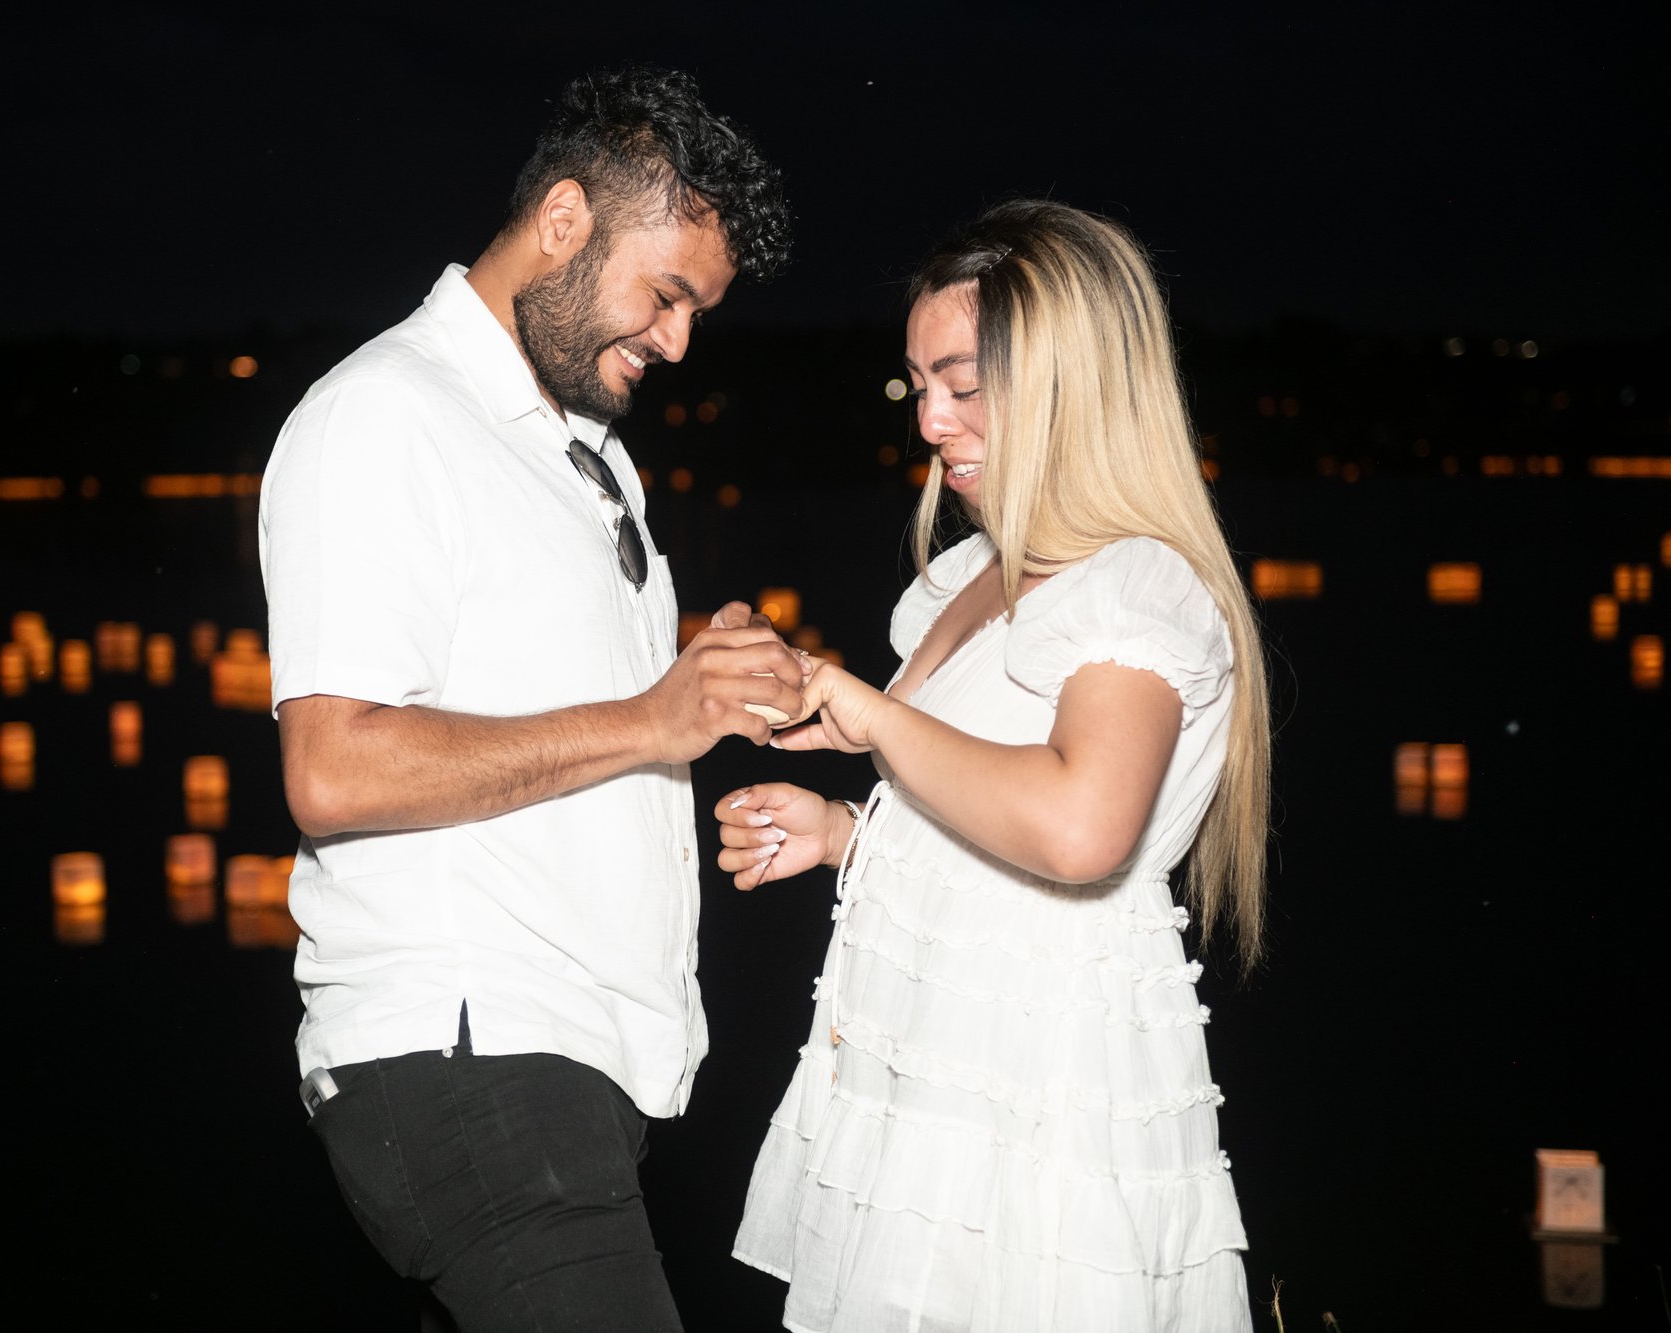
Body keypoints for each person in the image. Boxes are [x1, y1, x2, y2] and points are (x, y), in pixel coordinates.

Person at [258, 67, 797, 1332]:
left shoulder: (584, 454)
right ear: (564, 220)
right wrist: (653, 720)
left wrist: (703, 680)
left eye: (696, 315)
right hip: (467, 1052)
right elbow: (333, 769)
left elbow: (575, 711)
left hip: (570, 1072)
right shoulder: (382, 416)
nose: (676, 340)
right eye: (666, 295)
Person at [717, 201, 1270, 1332]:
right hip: (931, 1077)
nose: (928, 417)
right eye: (918, 384)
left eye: (961, 385)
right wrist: (843, 834)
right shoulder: (970, 575)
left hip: (1037, 1099)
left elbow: (1077, 830)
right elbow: (978, 810)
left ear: (1069, 380)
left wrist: (871, 718)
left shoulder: (1134, 584)